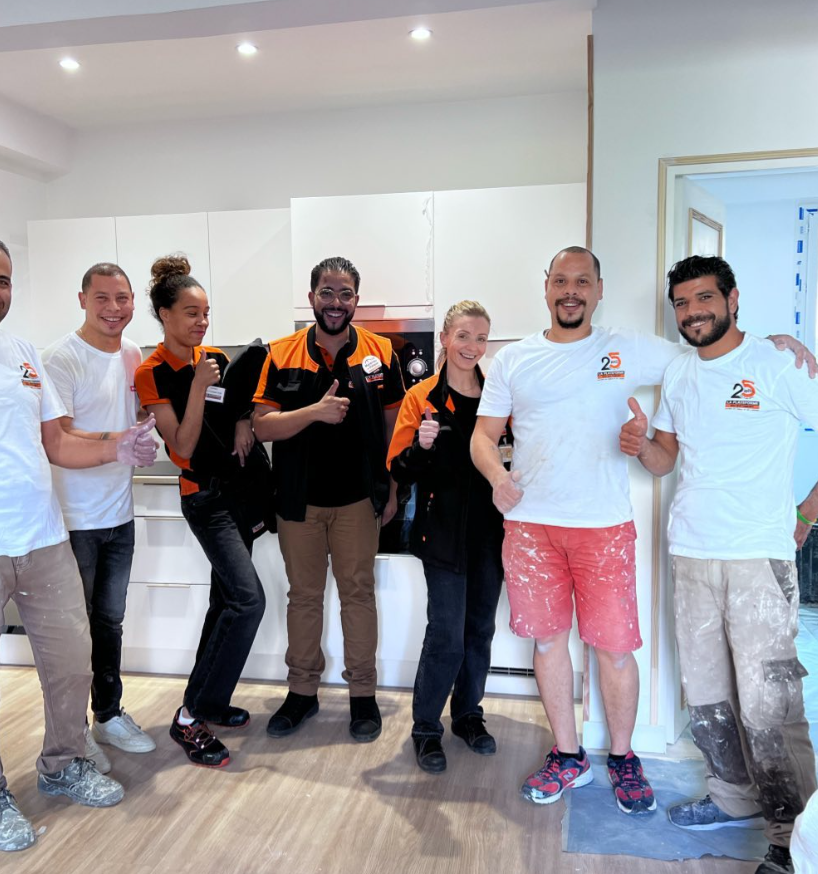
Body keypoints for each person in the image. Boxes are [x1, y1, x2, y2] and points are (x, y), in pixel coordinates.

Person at [470, 246, 812, 817]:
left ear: (599, 290)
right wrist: (497, 476)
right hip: (535, 528)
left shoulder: (633, 349)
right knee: (553, 645)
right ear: (547, 287)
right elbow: (483, 436)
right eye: (561, 280)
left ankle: (626, 759)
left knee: (624, 652)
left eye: (583, 281)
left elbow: (714, 347)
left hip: (610, 529)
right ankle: (570, 755)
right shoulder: (515, 359)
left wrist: (780, 341)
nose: (571, 290)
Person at [0, 235, 157, 853]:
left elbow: (57, 442)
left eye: (1, 280)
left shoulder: (23, 355)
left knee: (71, 665)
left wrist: (117, 448)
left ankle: (63, 764)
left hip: (42, 535)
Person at [619, 254, 818, 874]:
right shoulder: (680, 372)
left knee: (769, 705)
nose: (692, 312)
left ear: (732, 300)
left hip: (758, 558)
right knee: (706, 695)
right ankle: (733, 798)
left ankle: (791, 836)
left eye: (704, 298)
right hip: (691, 552)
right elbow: (665, 459)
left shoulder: (778, 363)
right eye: (681, 303)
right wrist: (641, 446)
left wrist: (806, 514)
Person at [252, 256, 405, 742]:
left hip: (359, 501)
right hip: (298, 502)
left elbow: (395, 428)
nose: (335, 303)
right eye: (327, 292)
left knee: (358, 595)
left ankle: (363, 694)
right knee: (303, 598)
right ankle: (302, 692)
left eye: (345, 294)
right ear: (312, 297)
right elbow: (262, 427)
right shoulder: (281, 353)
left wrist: (393, 490)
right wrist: (314, 412)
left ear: (356, 300)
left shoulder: (381, 352)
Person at [135, 255, 265, 769]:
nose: (201, 322)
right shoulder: (151, 374)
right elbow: (183, 448)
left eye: (206, 312)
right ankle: (189, 716)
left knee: (225, 601)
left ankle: (210, 702)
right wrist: (194, 387)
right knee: (249, 600)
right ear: (164, 314)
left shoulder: (213, 358)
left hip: (237, 493)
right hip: (204, 499)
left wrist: (243, 420)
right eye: (191, 312)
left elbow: (234, 408)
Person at [387, 301, 510, 773]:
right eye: (463, 336)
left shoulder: (498, 397)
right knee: (446, 635)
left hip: (490, 534)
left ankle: (467, 715)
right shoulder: (422, 398)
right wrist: (420, 448)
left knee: (479, 630)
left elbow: (513, 454)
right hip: (440, 534)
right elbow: (398, 468)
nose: (472, 347)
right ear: (444, 338)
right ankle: (425, 728)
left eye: (480, 338)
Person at [42, 263, 155, 774]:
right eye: (103, 298)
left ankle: (108, 715)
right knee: (74, 633)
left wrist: (142, 429)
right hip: (74, 520)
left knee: (109, 623)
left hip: (118, 514)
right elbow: (60, 435)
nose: (114, 308)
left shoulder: (132, 353)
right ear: (82, 299)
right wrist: (118, 441)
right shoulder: (59, 358)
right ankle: (74, 732)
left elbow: (130, 419)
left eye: (123, 298)